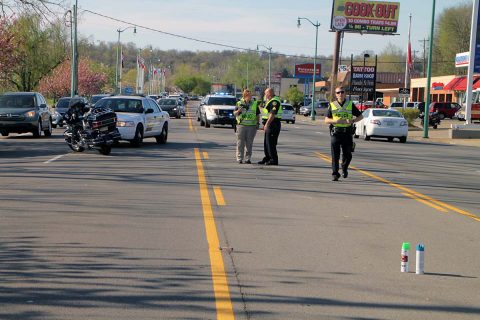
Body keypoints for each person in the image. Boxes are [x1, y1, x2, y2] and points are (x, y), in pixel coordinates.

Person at [324, 86, 363, 181]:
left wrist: (352, 120)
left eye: (342, 92)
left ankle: (344, 168)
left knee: (348, 155)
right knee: (335, 155)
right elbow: (326, 120)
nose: (340, 94)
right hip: (336, 133)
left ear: (345, 93)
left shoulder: (350, 104)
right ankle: (335, 174)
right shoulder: (332, 105)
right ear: (336, 95)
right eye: (338, 92)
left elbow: (360, 116)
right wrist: (335, 120)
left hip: (347, 133)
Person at [233, 89, 260, 164]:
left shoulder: (254, 103)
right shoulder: (239, 103)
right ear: (245, 96)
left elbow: (257, 114)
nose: (250, 97)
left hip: (251, 126)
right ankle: (239, 158)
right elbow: (234, 114)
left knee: (249, 143)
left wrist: (257, 123)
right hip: (241, 125)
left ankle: (247, 158)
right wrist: (238, 111)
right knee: (240, 143)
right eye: (248, 95)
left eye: (250, 95)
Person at [258, 88, 282, 165]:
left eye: (266, 93)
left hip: (273, 124)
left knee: (271, 143)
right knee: (267, 143)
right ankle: (267, 157)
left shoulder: (274, 101)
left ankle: (273, 159)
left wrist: (267, 124)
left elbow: (272, 114)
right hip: (270, 125)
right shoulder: (270, 101)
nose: (265, 95)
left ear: (270, 93)